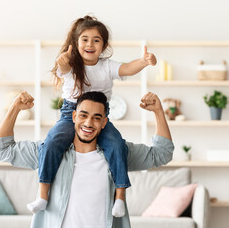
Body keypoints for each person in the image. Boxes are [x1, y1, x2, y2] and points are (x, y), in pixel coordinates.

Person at [30, 15, 157, 217]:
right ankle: (43, 195)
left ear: (104, 45)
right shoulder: (71, 64)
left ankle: (120, 198)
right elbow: (63, 69)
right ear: (76, 43)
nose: (90, 44)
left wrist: (143, 61)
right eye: (85, 39)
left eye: (96, 40)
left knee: (116, 145)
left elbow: (126, 68)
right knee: (52, 141)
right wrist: (61, 62)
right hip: (71, 114)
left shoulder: (107, 66)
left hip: (99, 116)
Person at [0, 91, 174, 228]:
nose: (88, 123)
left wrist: (158, 111)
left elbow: (162, 154)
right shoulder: (49, 153)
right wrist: (14, 109)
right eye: (83, 116)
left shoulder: (118, 154)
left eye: (96, 118)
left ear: (104, 123)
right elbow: (1, 149)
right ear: (74, 116)